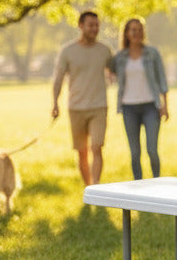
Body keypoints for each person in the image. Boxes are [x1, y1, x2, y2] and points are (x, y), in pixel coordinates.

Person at [52, 10, 114, 186]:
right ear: (80, 26)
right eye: (91, 25)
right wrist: (55, 103)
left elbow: (114, 70)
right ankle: (89, 188)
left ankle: (96, 186)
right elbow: (58, 78)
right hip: (76, 107)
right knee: (82, 151)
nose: (94, 29)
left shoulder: (104, 50)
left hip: (99, 106)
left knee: (96, 147)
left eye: (97, 25)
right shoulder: (68, 51)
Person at [113, 18, 170, 180]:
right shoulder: (120, 57)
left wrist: (165, 105)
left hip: (151, 107)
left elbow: (162, 80)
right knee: (135, 153)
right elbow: (108, 68)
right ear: (126, 33)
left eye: (139, 29)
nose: (136, 33)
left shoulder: (152, 53)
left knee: (152, 150)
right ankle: (138, 186)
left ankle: (156, 181)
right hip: (129, 108)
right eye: (133, 30)